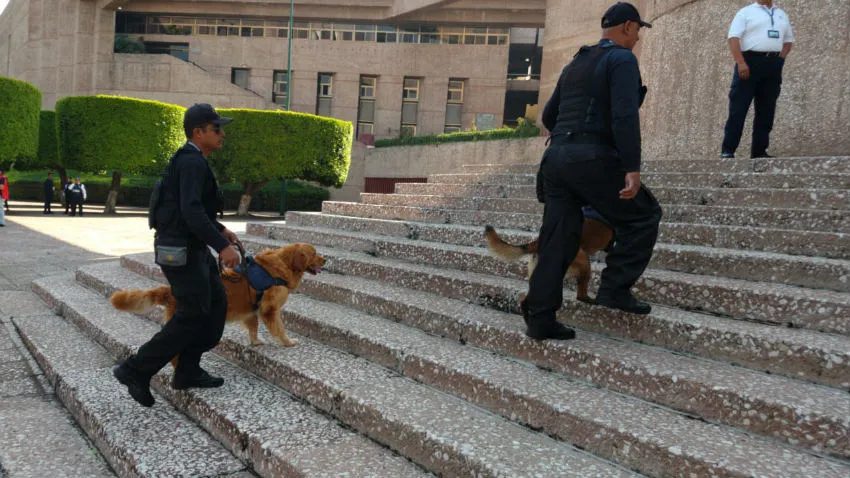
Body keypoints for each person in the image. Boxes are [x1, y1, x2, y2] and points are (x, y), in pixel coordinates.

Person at [523, 2, 663, 341]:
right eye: (639, 31)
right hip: (591, 157)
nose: (638, 39)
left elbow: (549, 117)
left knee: (558, 238)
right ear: (629, 27)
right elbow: (624, 116)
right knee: (644, 215)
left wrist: (571, 139)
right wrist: (631, 167)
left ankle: (540, 317)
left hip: (556, 160)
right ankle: (614, 289)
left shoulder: (577, 61)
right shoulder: (623, 59)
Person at [112, 103, 241, 407]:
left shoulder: (192, 160)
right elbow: (191, 210)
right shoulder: (191, 162)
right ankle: (135, 369)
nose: (222, 134)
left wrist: (219, 230)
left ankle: (187, 370)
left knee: (215, 305)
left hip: (191, 246)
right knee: (193, 313)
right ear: (199, 132)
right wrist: (222, 246)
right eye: (216, 128)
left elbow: (188, 207)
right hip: (182, 250)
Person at [720, 0, 794, 159]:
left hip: (773, 65)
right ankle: (728, 151)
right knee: (738, 109)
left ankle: (759, 152)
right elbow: (733, 38)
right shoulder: (745, 13)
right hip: (749, 62)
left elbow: (788, 41)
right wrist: (740, 62)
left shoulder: (782, 14)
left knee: (767, 110)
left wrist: (780, 60)